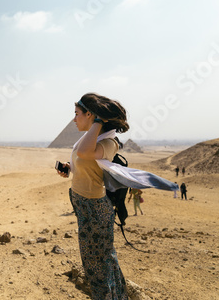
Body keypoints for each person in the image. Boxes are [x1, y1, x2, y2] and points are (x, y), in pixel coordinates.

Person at [57, 93, 129, 299]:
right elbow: (85, 162)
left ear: (90, 114)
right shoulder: (92, 138)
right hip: (84, 208)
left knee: (98, 269)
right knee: (102, 262)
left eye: (77, 114)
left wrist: (98, 120)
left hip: (95, 212)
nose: (73, 119)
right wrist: (69, 168)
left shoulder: (109, 143)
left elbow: (85, 153)